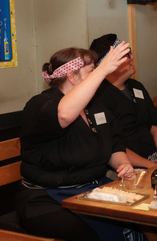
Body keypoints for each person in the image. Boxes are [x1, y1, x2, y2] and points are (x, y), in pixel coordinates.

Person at [16, 44, 143, 241]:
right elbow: (64, 114)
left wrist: (123, 164)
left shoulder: (96, 106)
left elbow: (114, 145)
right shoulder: (40, 104)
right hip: (46, 198)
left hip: (93, 189)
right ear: (72, 76)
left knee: (144, 214)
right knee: (91, 233)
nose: (98, 77)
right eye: (91, 72)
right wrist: (103, 69)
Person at [90, 34, 157, 168]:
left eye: (130, 52)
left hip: (155, 157)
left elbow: (155, 126)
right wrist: (152, 166)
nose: (132, 57)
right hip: (126, 166)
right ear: (109, 63)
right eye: (126, 55)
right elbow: (113, 145)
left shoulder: (135, 86)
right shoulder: (97, 97)